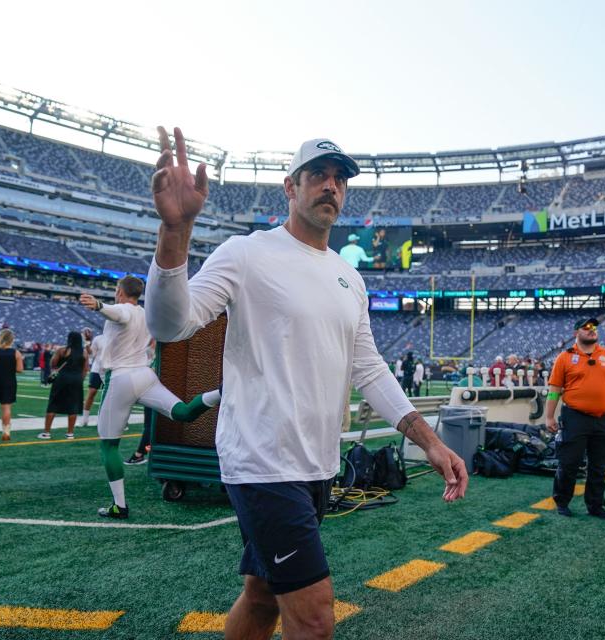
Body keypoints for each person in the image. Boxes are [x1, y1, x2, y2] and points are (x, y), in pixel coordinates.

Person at [145, 129, 468, 640]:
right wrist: (175, 233)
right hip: (262, 462)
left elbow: (369, 368)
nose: (331, 186)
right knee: (315, 619)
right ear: (290, 188)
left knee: (261, 596)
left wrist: (428, 439)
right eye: (317, 174)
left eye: (340, 178)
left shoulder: (349, 277)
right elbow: (170, 326)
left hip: (317, 464)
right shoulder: (246, 253)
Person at [79, 275, 221, 519]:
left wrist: (99, 306)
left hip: (122, 379)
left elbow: (120, 314)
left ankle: (119, 505)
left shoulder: (125, 308)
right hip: (145, 375)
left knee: (108, 444)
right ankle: (222, 391)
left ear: (119, 291)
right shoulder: (147, 313)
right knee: (183, 413)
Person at [545, 318, 605, 520]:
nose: (591, 330)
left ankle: (595, 505)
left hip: (603, 418)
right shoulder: (564, 358)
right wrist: (549, 416)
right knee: (569, 462)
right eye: (586, 327)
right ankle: (562, 501)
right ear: (576, 332)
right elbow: (554, 390)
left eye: (594, 327)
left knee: (600, 464)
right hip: (575, 417)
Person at [38, 331, 88, 440]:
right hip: (76, 380)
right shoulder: (84, 353)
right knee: (73, 406)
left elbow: (53, 363)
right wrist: (79, 379)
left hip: (61, 379)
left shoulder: (62, 350)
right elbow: (85, 369)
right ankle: (70, 433)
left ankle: (47, 432)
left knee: (53, 404)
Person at [81, 329, 107, 427]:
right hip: (97, 369)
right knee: (91, 393)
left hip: (111, 370)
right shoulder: (98, 338)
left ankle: (105, 419)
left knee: (109, 396)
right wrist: (87, 342)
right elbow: (91, 354)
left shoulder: (118, 337)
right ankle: (84, 419)